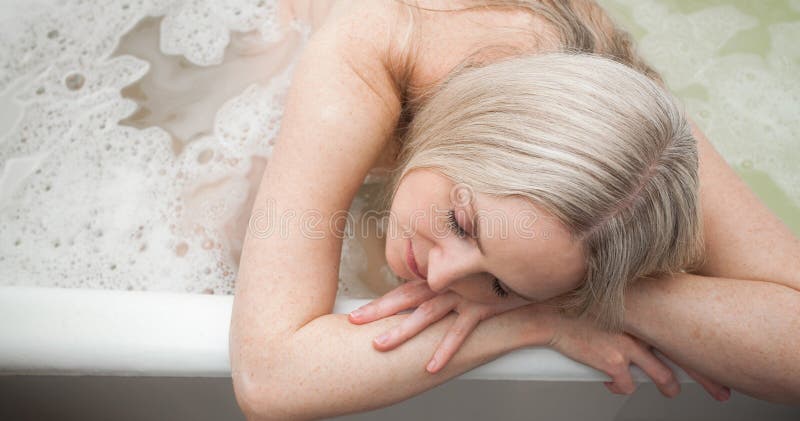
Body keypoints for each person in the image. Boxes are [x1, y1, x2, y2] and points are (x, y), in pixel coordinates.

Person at [228, 1, 800, 419]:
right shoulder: (382, 40)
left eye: (500, 285)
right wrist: (530, 317)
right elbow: (268, 375)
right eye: (462, 223)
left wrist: (588, 299)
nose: (441, 276)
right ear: (466, 125)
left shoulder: (616, 130)